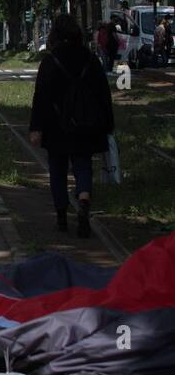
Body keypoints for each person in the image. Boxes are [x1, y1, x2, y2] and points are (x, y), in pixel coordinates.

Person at [29, 14, 114, 238]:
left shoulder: (50, 60)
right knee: (83, 165)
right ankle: (84, 200)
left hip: (56, 126)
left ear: (55, 34)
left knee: (57, 170)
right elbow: (103, 94)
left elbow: (41, 97)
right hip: (85, 125)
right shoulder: (90, 58)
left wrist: (36, 127)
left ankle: (61, 217)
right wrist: (108, 124)